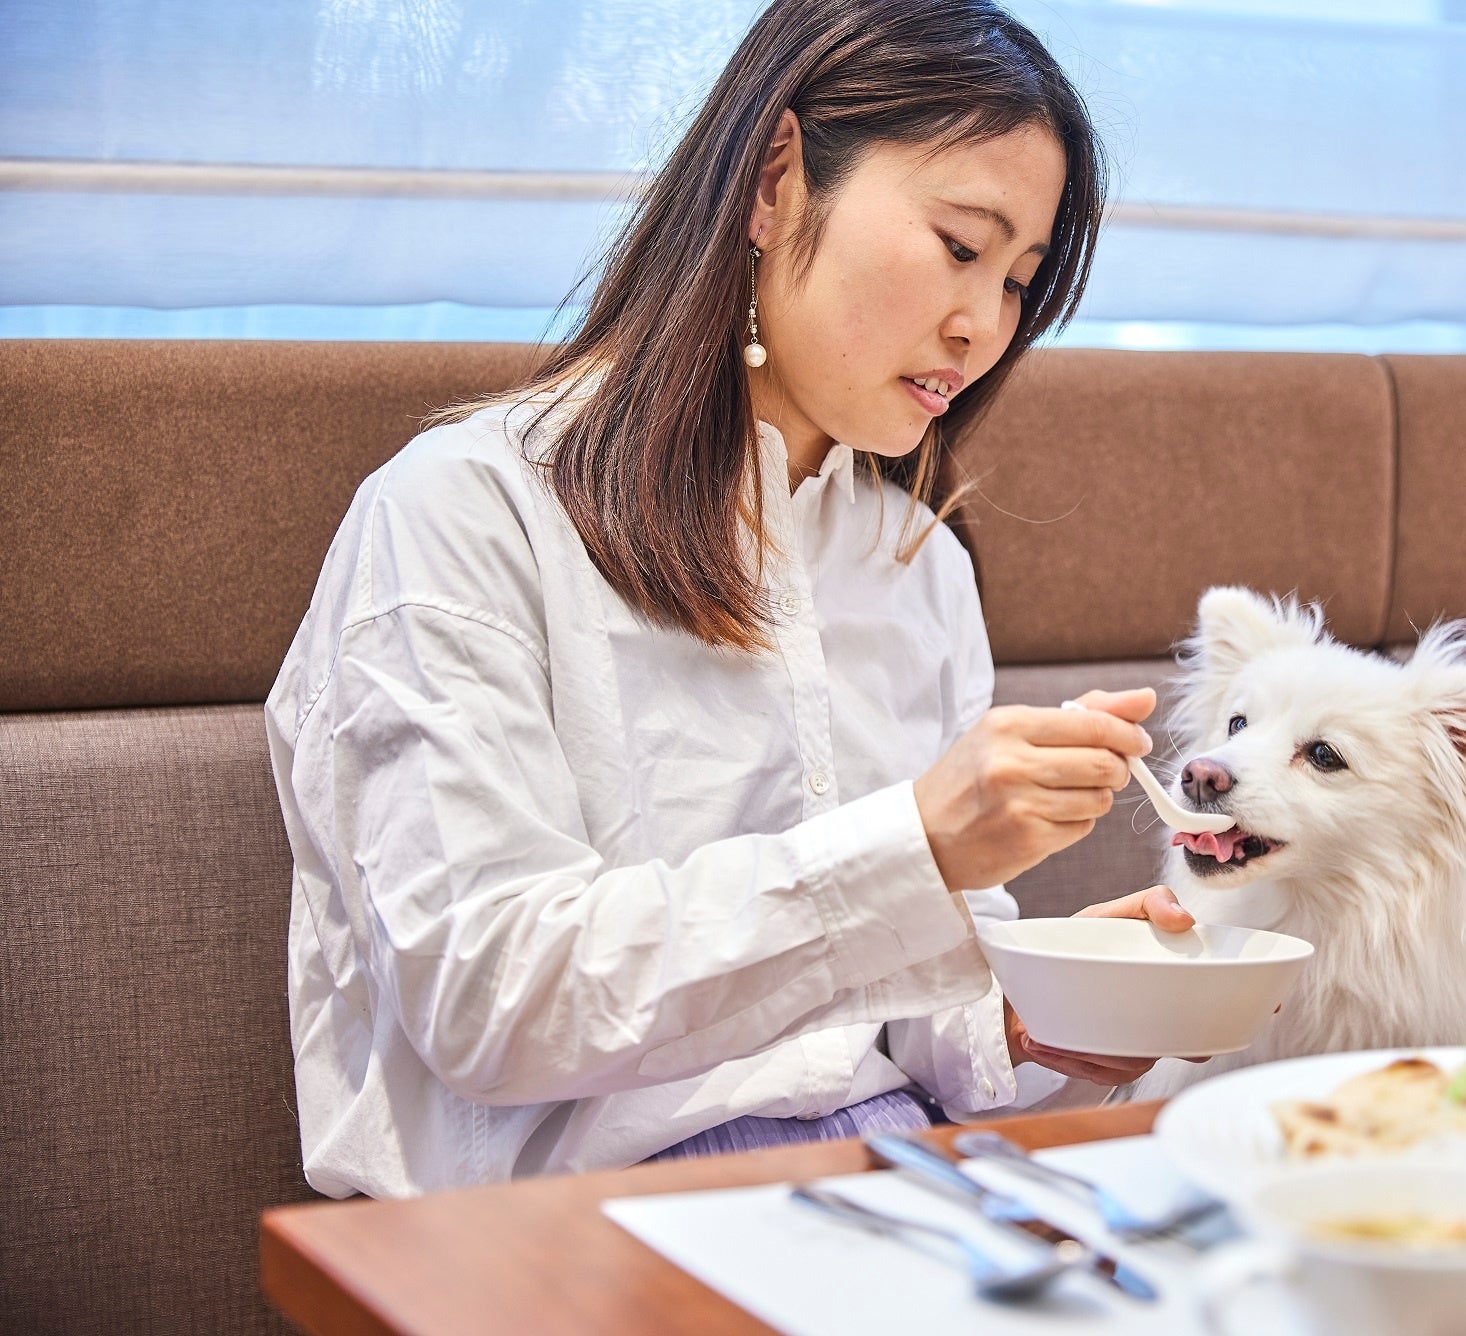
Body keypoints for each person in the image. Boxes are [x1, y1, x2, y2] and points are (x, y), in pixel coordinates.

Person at [265, 0, 1197, 1200]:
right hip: (571, 1229)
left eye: (1019, 280)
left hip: (900, 1177)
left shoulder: (917, 560)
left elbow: (889, 1023)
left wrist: (1037, 1009)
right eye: (962, 246)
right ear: (773, 183)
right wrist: (910, 844)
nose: (982, 324)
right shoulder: (466, 512)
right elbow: (488, 1000)